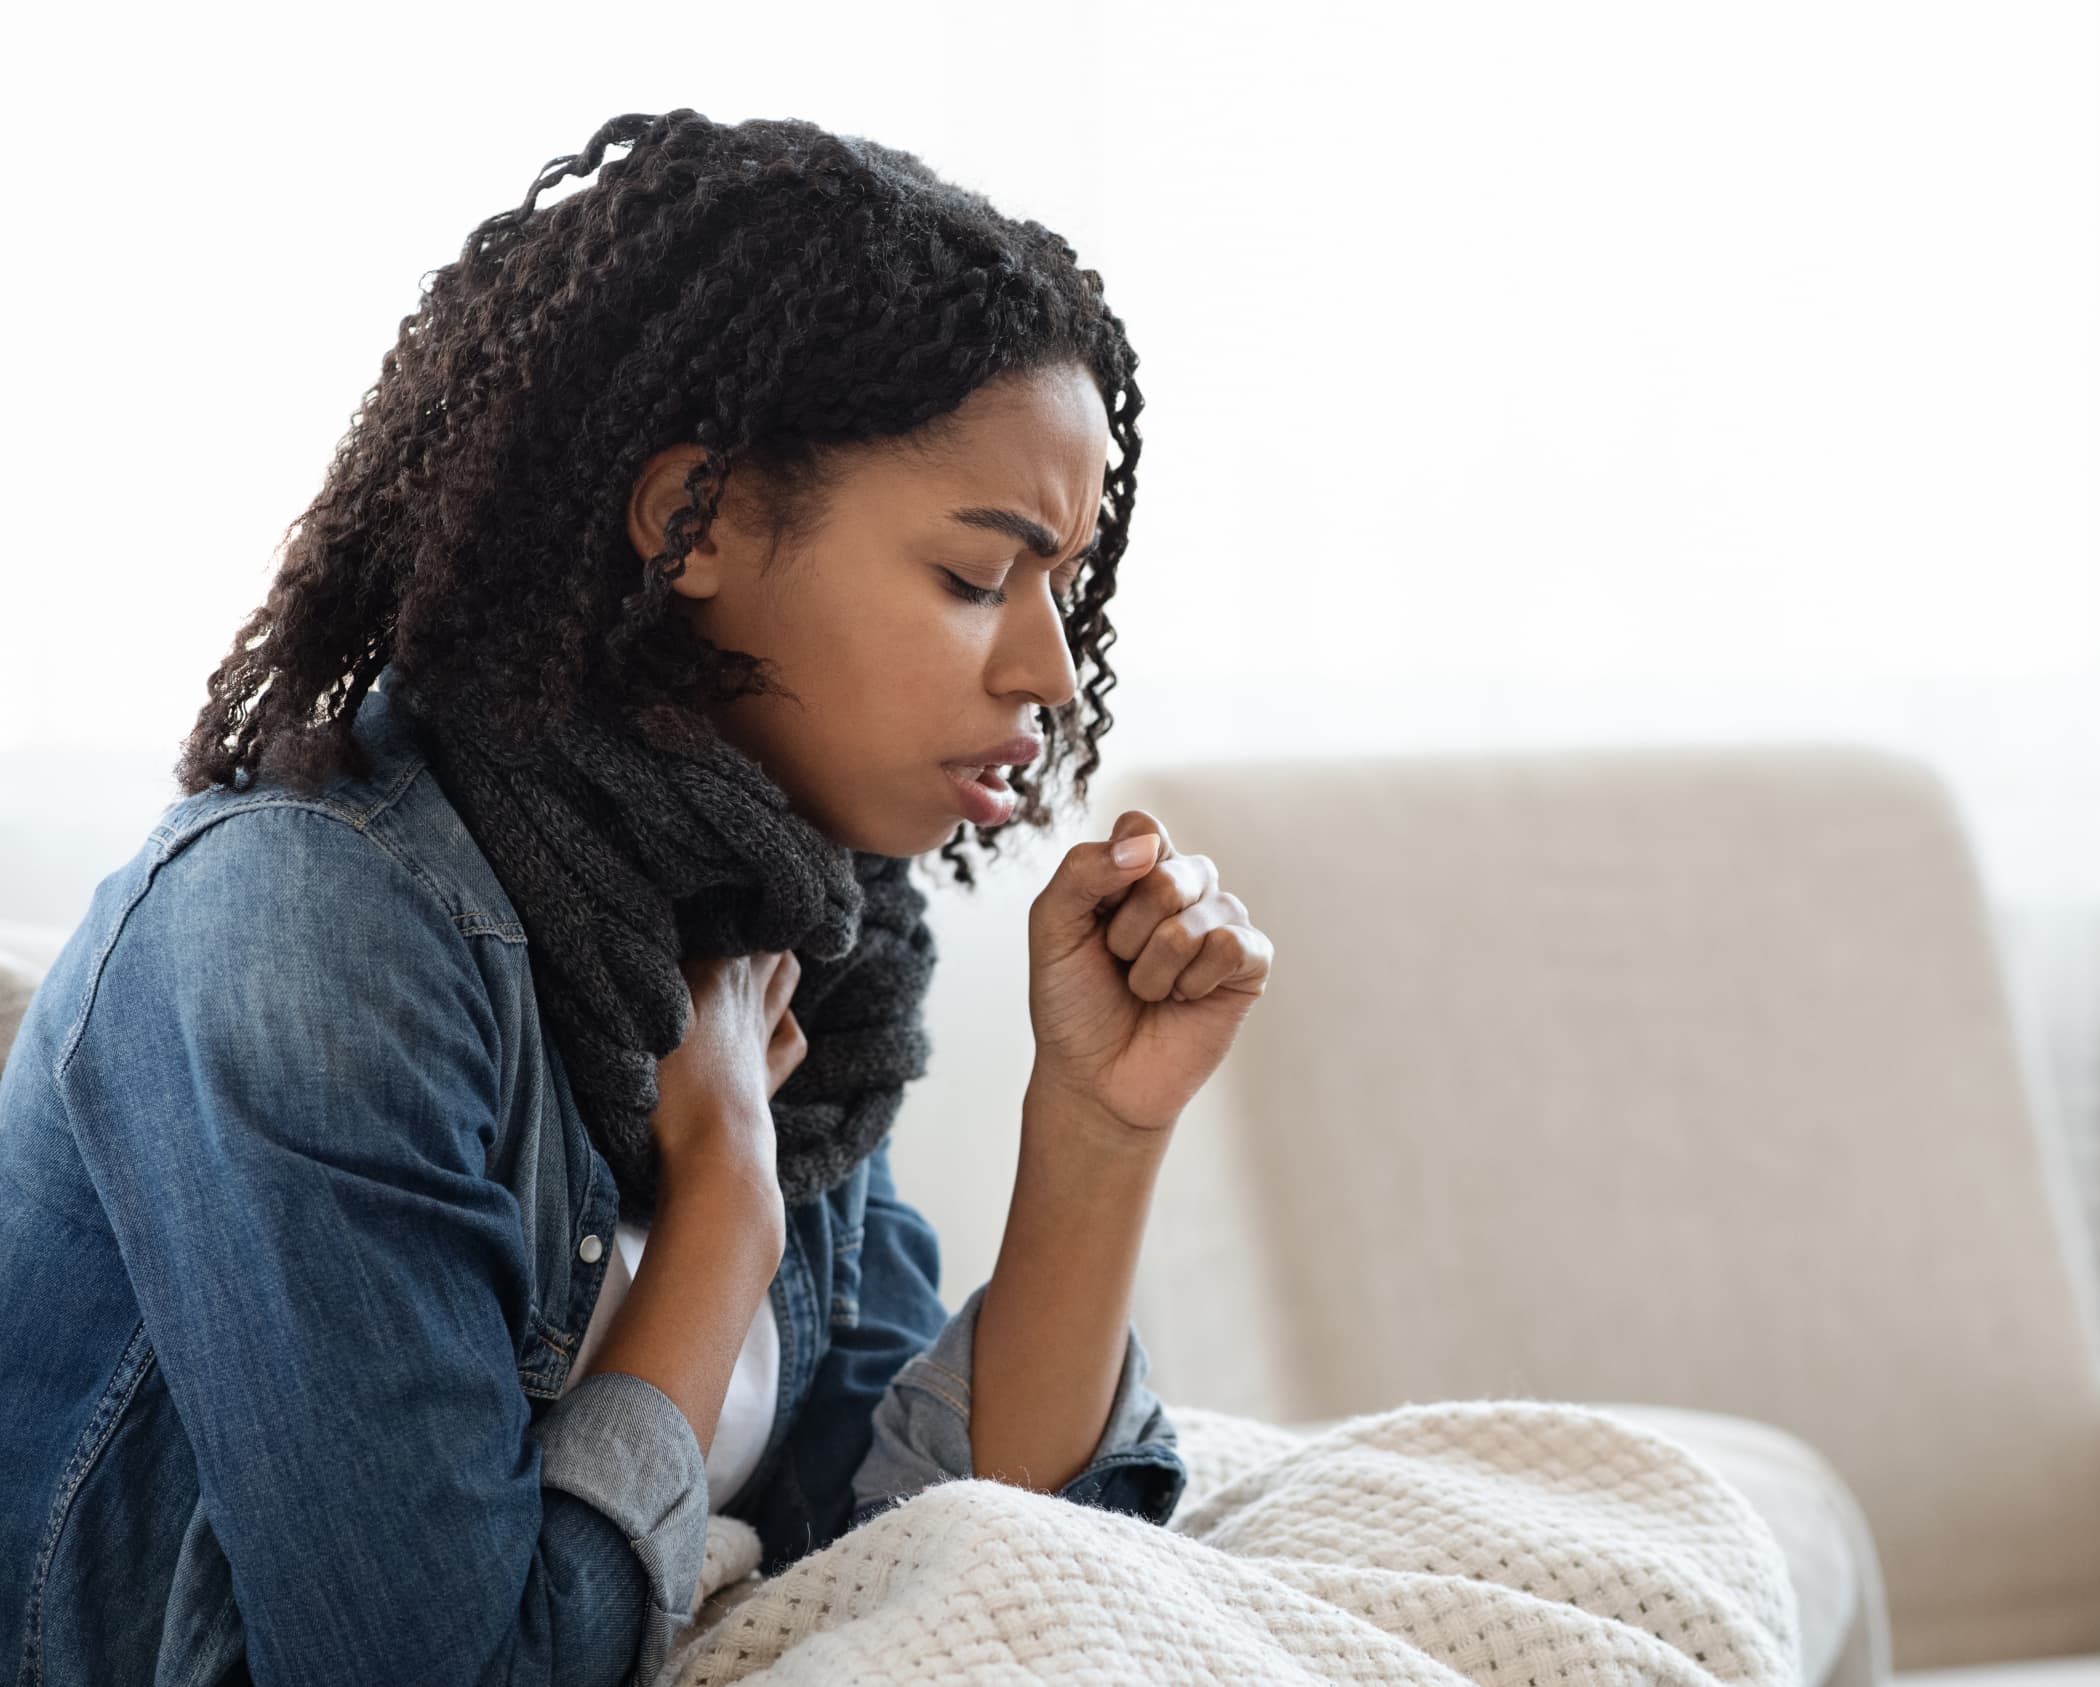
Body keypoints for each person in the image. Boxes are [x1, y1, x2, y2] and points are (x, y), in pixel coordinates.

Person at [0, 108, 1273, 1687]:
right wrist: (723, 1200)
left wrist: (1100, 1126)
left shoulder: (777, 942)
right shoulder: (307, 934)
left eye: (1065, 591)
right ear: (701, 524)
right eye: (974, 576)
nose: (1050, 672)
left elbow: (917, 1552)